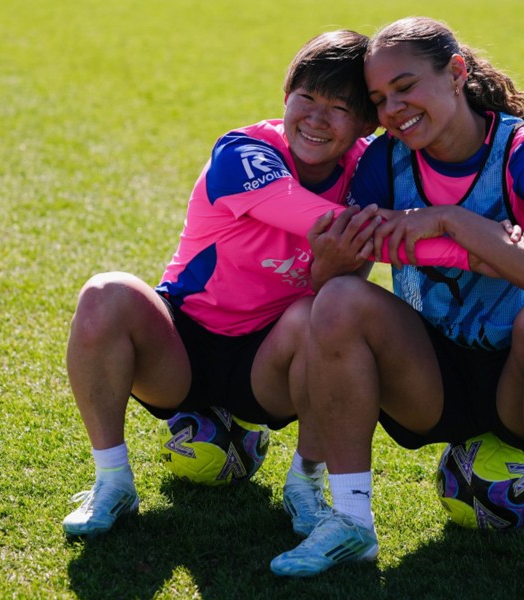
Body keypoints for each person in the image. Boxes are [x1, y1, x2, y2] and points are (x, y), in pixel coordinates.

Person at [61, 30, 476, 538]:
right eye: (307, 97)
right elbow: (337, 227)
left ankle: (305, 484)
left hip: (272, 365)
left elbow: (456, 153)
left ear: (366, 124)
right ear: (285, 95)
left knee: (319, 316)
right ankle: (112, 482)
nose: (317, 118)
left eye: (339, 108)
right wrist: (476, 249)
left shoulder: (370, 170)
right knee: (106, 293)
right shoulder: (244, 151)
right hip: (182, 348)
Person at [269, 17, 524, 600]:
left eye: (405, 87)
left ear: (455, 73)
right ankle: (350, 520)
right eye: (380, 99)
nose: (394, 109)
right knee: (339, 300)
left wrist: (447, 221)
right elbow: (332, 287)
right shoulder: (386, 161)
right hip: (432, 378)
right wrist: (336, 252)